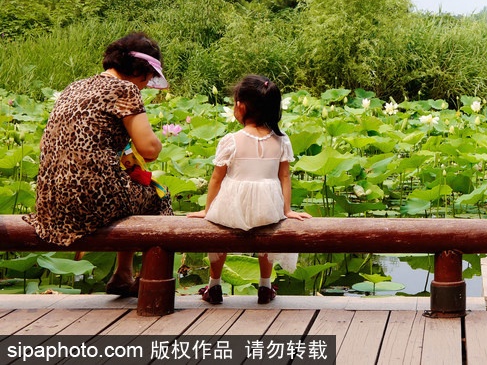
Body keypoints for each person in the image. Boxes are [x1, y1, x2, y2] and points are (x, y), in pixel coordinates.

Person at [26, 32, 172, 296]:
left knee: (131, 186)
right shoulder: (125, 89)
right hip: (91, 199)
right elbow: (149, 150)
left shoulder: (75, 87)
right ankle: (142, 279)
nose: (147, 84)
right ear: (139, 70)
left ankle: (123, 274)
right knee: (159, 195)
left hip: (48, 200)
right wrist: (155, 143)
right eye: (149, 76)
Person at [187, 75, 311, 304]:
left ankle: (214, 286)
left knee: (218, 232)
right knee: (268, 232)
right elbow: (284, 177)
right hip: (268, 207)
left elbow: (216, 179)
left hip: (233, 205)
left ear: (241, 107)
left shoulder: (231, 140)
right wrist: (287, 210)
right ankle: (265, 286)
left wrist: (208, 210)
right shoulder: (282, 140)